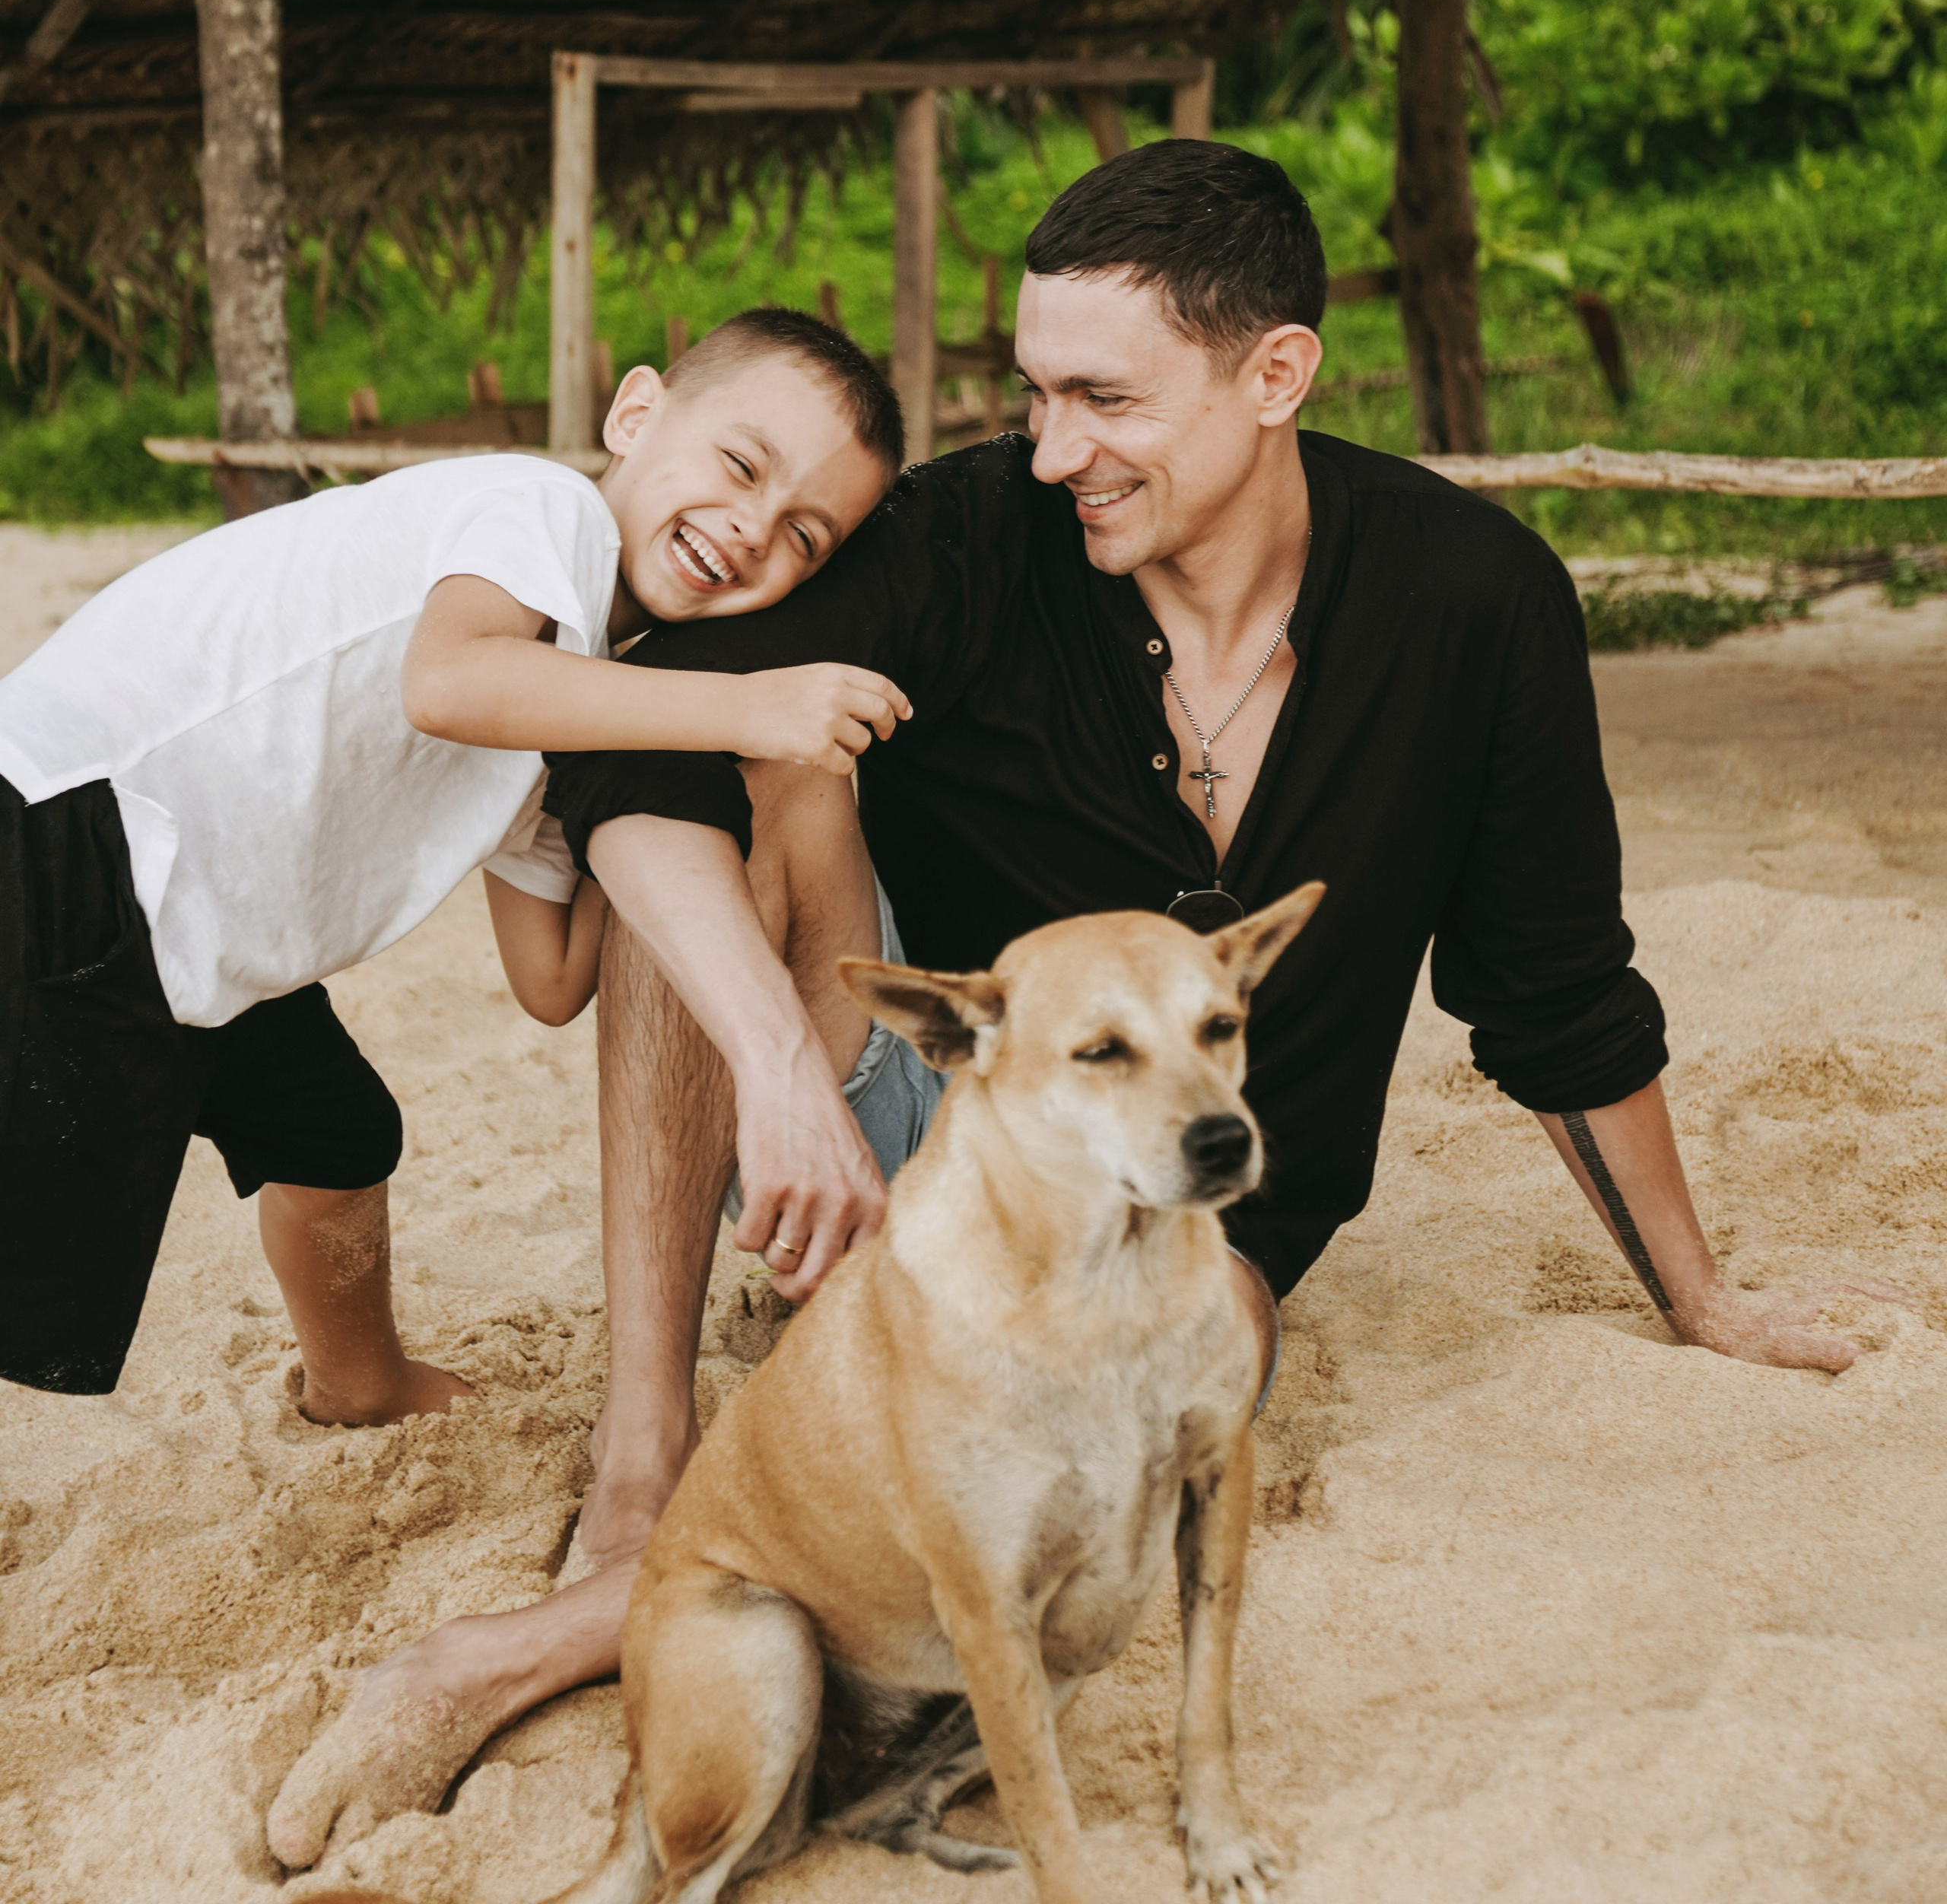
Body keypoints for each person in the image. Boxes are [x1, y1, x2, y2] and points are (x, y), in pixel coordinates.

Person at [269, 141, 1878, 1867]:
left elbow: (1552, 992)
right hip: (892, 1115)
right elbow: (648, 730)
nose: (1050, 451)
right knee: (703, 796)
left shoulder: (1475, 603)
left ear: (1274, 373)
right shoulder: (973, 536)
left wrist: (1697, 1295)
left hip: (1205, 1215)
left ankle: (511, 1653)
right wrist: (782, 1074)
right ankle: (648, 1448)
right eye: (1032, 393)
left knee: (1131, 1410)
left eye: (1102, 399)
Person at [0, 307, 907, 1422]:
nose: (752, 525)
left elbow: (553, 979)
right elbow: (450, 681)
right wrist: (750, 703)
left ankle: (357, 1382)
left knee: (333, 1133)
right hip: (67, 847)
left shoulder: (574, 704)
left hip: (209, 936)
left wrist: (701, 818)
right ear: (635, 414)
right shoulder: (535, 511)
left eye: (805, 535)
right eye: (738, 463)